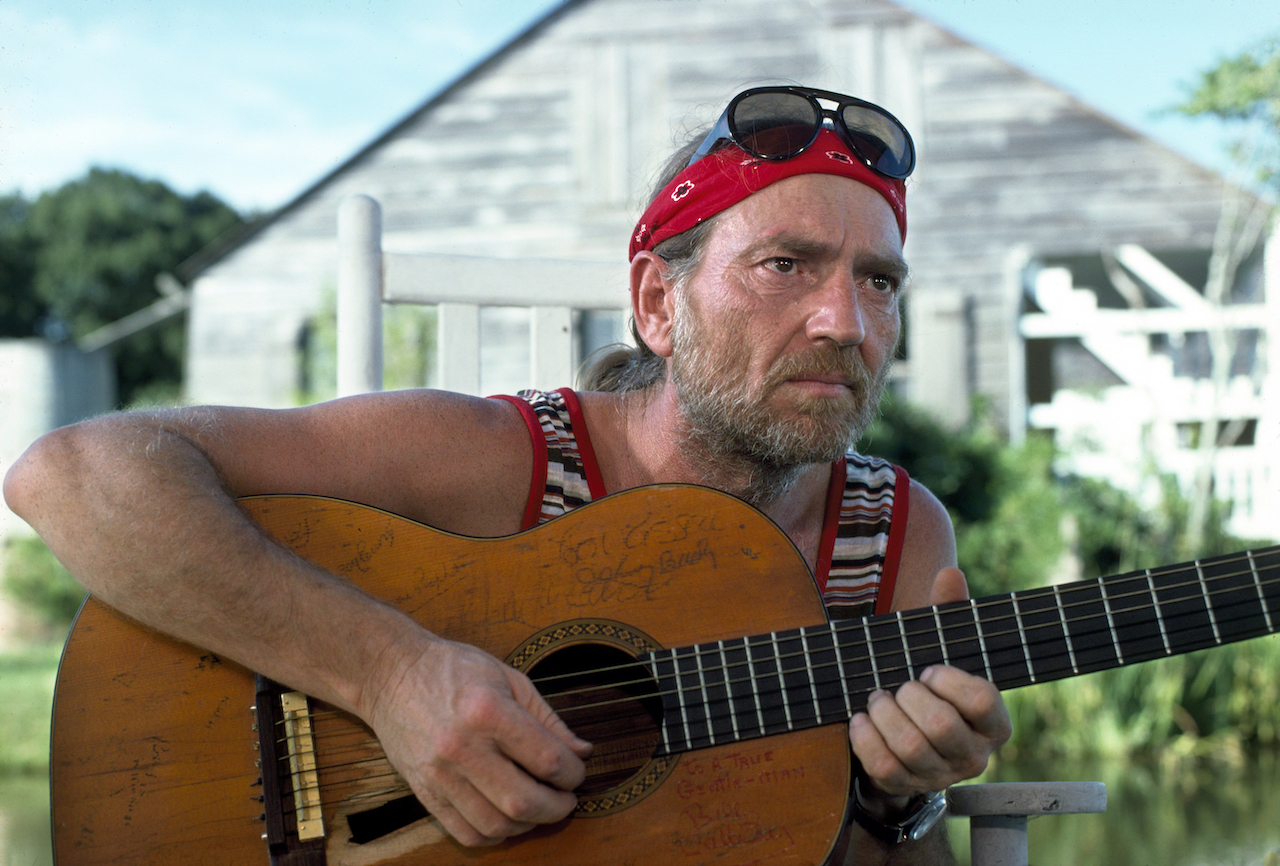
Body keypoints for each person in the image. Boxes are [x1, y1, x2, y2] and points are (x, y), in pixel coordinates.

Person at [3, 85, 1010, 864]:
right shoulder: (495, 462)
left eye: (876, 281)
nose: (844, 322)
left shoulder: (892, 540)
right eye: (784, 265)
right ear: (658, 305)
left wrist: (899, 796)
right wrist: (391, 675)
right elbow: (74, 471)